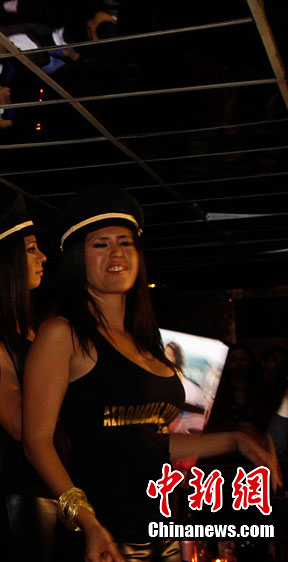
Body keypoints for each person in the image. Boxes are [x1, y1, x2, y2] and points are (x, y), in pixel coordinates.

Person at [23, 185, 281, 562]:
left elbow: (151, 441)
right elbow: (36, 442)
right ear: (78, 258)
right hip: (104, 535)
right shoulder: (62, 334)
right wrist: (86, 521)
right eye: (101, 244)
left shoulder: (144, 341)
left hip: (162, 530)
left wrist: (236, 441)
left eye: (125, 242)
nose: (117, 253)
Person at [0, 196, 57, 561]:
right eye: (32, 250)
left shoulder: (34, 330)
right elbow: (19, 422)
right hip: (20, 496)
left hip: (53, 487)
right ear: (5, 261)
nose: (43, 258)